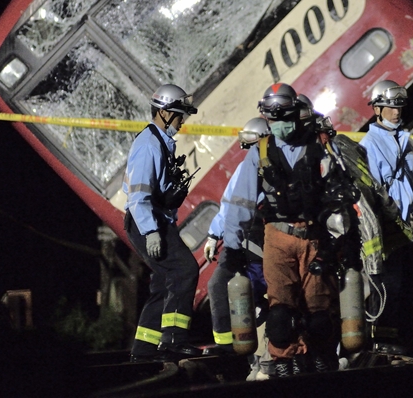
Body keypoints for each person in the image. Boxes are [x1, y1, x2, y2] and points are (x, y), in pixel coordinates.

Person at [214, 84, 351, 377]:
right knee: (280, 313)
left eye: (283, 116)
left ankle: (319, 357)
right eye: (272, 118)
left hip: (315, 236)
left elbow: (340, 199)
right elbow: (240, 202)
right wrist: (233, 246)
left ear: (296, 113)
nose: (279, 123)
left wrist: (337, 242)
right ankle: (283, 360)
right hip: (277, 237)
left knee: (319, 313)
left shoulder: (322, 147)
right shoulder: (259, 153)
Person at [124, 83, 202, 362]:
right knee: (185, 270)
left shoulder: (159, 142)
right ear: (166, 113)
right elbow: (138, 196)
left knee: (163, 282)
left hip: (154, 221)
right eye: (180, 115)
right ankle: (173, 340)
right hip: (148, 222)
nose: (183, 121)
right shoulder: (148, 146)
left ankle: (144, 350)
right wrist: (152, 232)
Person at [360, 80, 413, 354]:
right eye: (389, 107)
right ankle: (383, 345)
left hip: (404, 229)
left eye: (399, 106)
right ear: (377, 109)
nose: (396, 112)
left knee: (407, 286)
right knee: (388, 287)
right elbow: (371, 194)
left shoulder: (403, 140)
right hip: (385, 229)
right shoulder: (369, 145)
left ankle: (403, 341)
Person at [202, 117, 270, 363]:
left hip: (253, 242)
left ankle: (231, 350)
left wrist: (226, 240)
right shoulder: (249, 164)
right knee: (222, 287)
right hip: (242, 240)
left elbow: (238, 206)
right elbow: (230, 204)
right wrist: (213, 234)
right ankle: (228, 347)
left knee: (223, 286)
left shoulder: (263, 164)